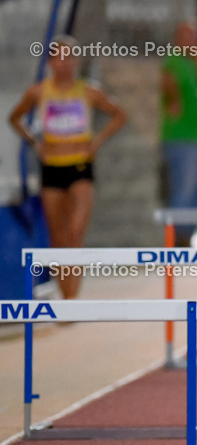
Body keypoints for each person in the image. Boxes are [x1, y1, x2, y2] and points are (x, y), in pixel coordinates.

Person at [8, 36, 127, 299]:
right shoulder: (38, 92)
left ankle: (72, 298)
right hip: (52, 168)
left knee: (75, 232)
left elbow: (119, 114)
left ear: (76, 60)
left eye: (69, 57)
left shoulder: (88, 91)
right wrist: (34, 142)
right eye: (59, 57)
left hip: (81, 168)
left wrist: (96, 141)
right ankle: (65, 297)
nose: (64, 63)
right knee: (58, 236)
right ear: (51, 62)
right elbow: (14, 118)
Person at [161, 21, 197, 247]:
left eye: (194, 36)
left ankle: (185, 233)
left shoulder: (193, 64)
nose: (192, 41)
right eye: (187, 36)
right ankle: (176, 240)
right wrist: (173, 100)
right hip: (180, 138)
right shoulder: (174, 61)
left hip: (195, 136)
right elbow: (168, 81)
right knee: (184, 190)